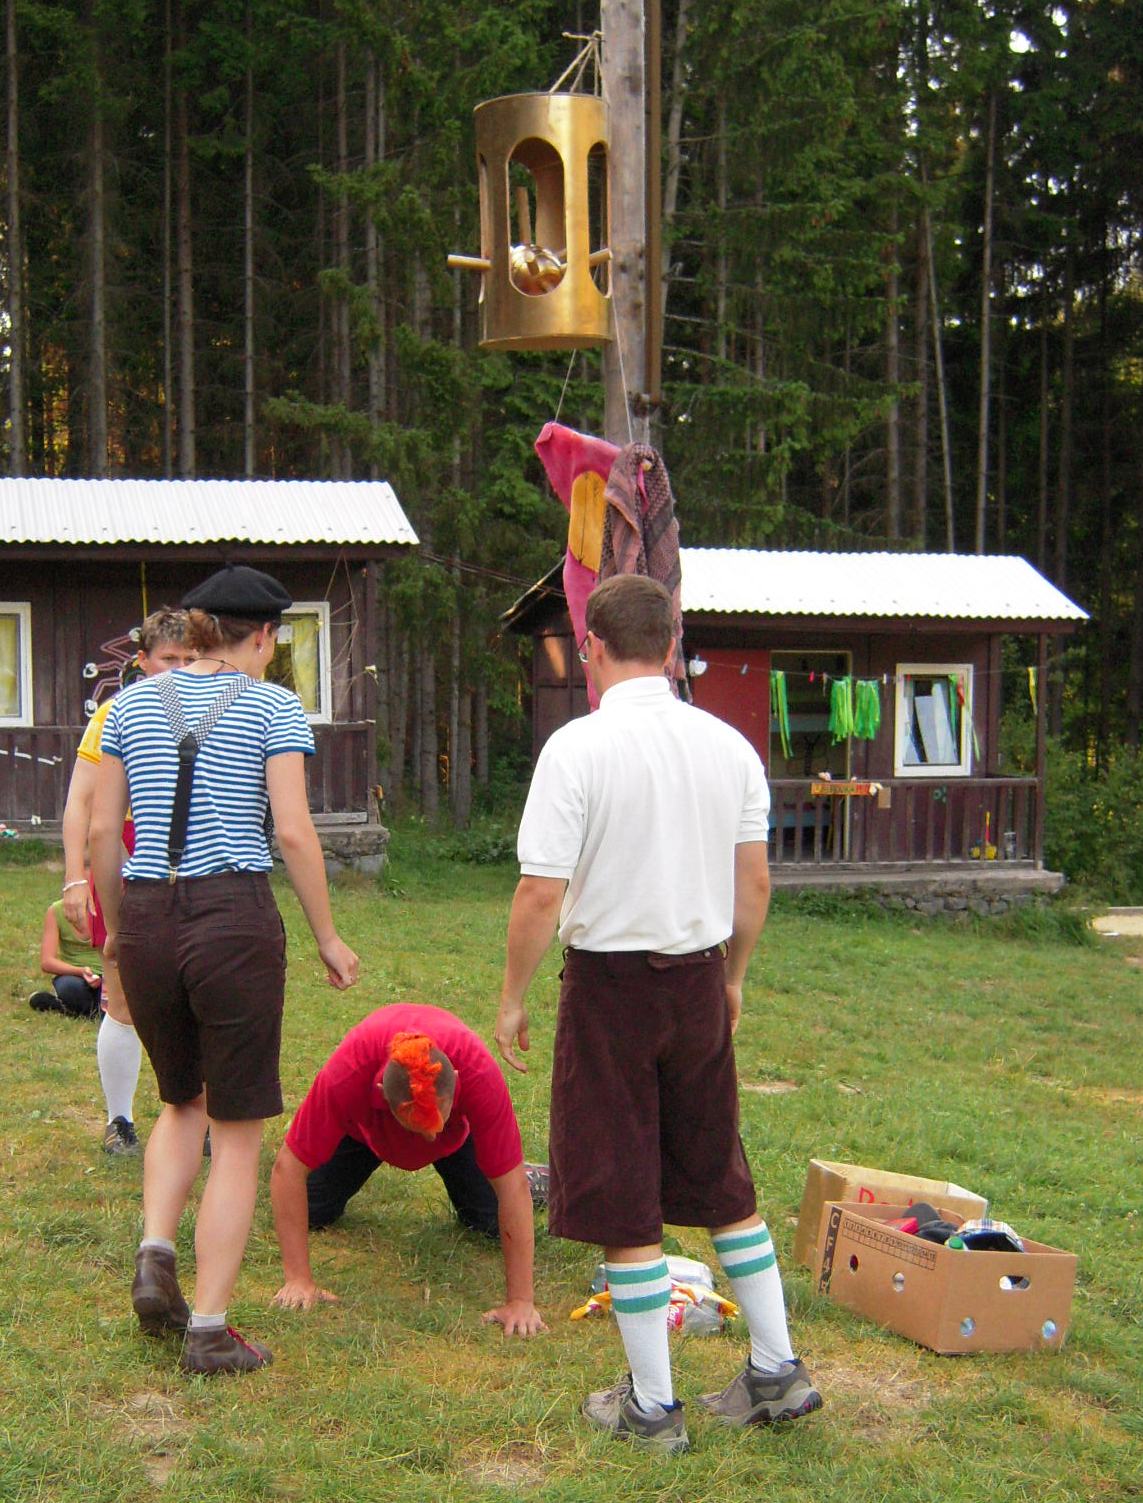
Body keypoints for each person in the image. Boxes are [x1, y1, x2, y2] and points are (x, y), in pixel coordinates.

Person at [494, 574, 821, 1455]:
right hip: (700, 978)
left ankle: (650, 1406)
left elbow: (538, 893)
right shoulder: (729, 746)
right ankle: (776, 1368)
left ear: (591, 648)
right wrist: (734, 977)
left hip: (609, 991)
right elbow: (754, 882)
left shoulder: (576, 748)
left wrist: (513, 996)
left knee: (619, 1190)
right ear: (673, 646)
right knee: (721, 1176)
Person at [90, 563, 359, 1376]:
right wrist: (325, 935)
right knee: (237, 1132)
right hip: (231, 919)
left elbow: (104, 832)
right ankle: (208, 1327)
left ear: (201, 628)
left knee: (181, 1101)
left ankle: (155, 1250)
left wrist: (118, 933)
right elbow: (294, 832)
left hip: (147, 912)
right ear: (266, 636)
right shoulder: (273, 706)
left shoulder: (127, 705)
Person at [269, 1003, 545, 1338]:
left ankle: (536, 1176)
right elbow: (288, 1167)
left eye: (435, 1120)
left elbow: (511, 1188)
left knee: (487, 1219)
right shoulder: (349, 1071)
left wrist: (520, 1300)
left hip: (455, 1138)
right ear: (382, 1094)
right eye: (418, 1125)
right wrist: (298, 1279)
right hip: (366, 1133)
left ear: (457, 1081)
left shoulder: (478, 1071)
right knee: (314, 1209)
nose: (428, 1137)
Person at [61, 608, 198, 1153]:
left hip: (200, 863)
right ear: (142, 661)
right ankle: (120, 1120)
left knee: (201, 992)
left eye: (191, 658)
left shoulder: (218, 705)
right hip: (126, 855)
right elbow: (81, 803)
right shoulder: (115, 713)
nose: (180, 670)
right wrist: (76, 878)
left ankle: (200, 1115)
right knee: (122, 991)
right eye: (169, 659)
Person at [28, 897, 103, 1018]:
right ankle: (97, 1011)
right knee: (68, 987)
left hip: (109, 974)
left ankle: (67, 1008)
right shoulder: (56, 911)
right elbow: (47, 962)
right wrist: (81, 971)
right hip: (75, 976)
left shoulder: (109, 905)